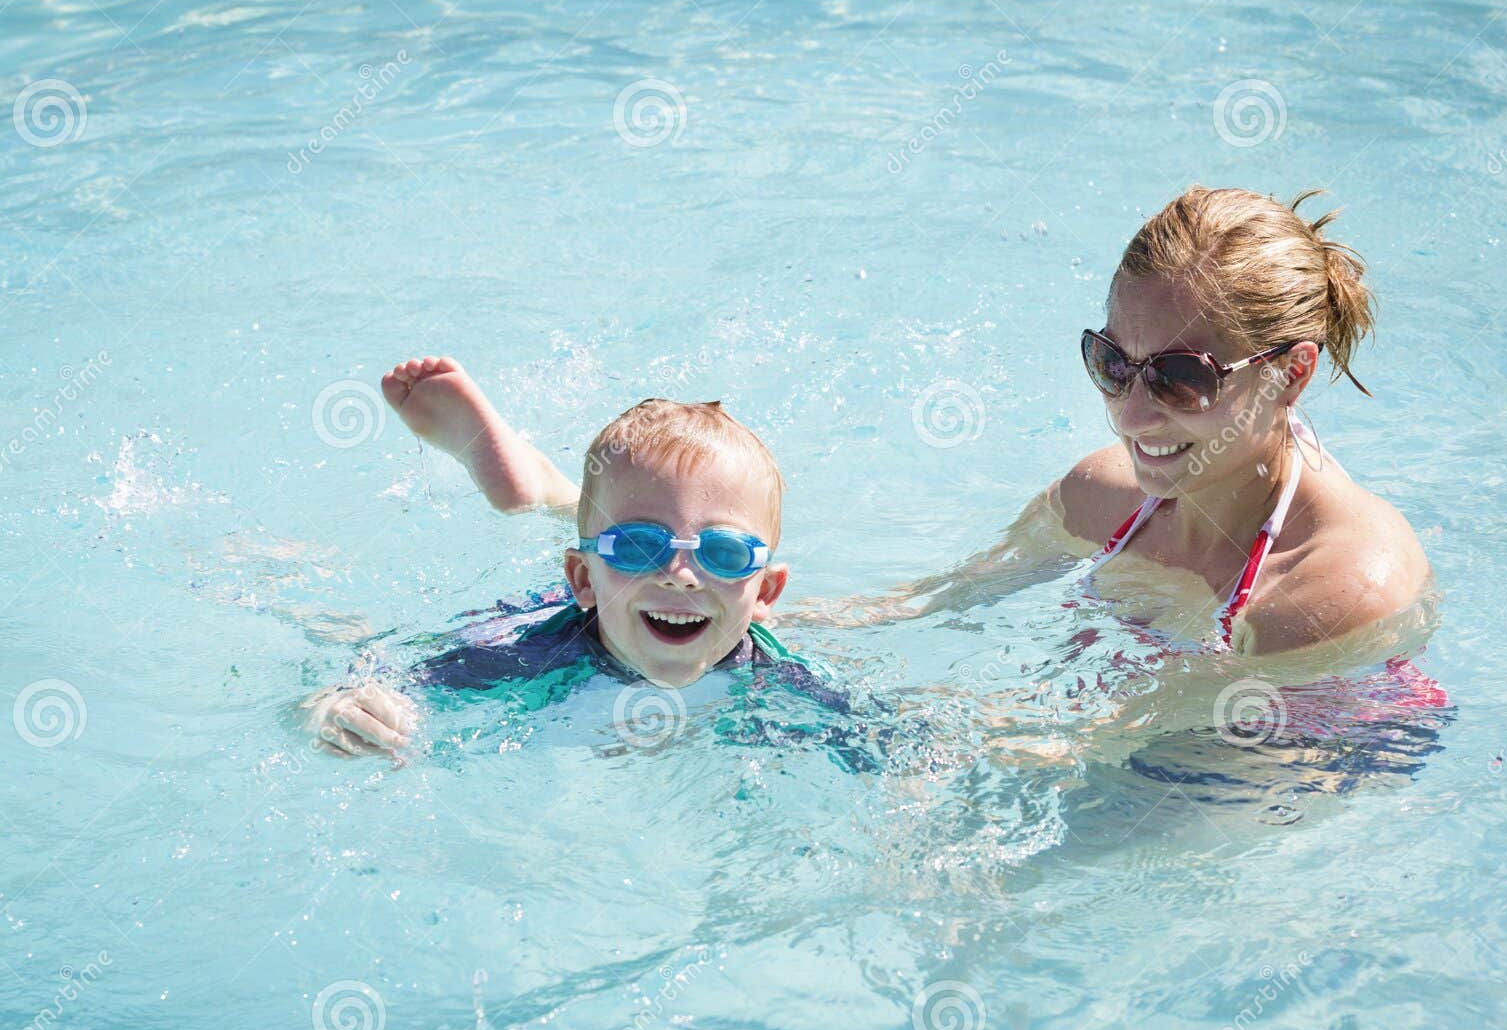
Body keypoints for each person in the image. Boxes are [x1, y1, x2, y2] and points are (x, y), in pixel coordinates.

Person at [811, 186, 1435, 662]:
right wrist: (764, 620)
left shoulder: (1334, 591)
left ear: (1291, 374)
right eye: (1113, 363)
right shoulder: (1097, 496)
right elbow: (930, 602)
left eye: (1183, 377)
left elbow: (1172, 733)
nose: (1130, 414)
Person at [300, 356, 834, 758]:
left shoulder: (783, 675)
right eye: (640, 546)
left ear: (766, 592)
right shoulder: (528, 653)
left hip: (671, 598)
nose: (681, 576)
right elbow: (376, 672)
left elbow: (895, 743)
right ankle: (533, 492)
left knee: (848, 615)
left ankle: (543, 493)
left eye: (725, 552)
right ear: (581, 577)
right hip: (555, 605)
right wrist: (336, 707)